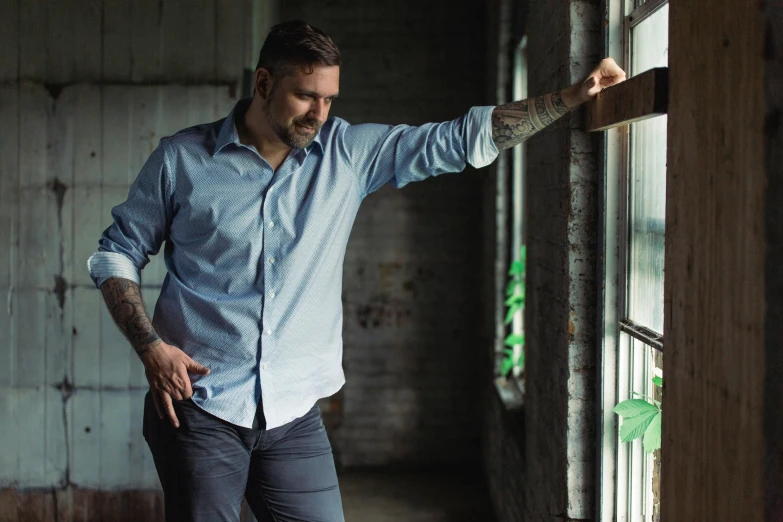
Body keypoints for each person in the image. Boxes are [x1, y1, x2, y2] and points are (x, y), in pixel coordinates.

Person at [86, 19, 626, 522]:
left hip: (294, 416)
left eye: (328, 99)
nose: (319, 114)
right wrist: (150, 347)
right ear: (264, 82)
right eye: (305, 96)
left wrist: (572, 97)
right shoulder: (182, 160)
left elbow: (459, 140)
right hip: (198, 410)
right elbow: (116, 253)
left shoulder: (346, 153)